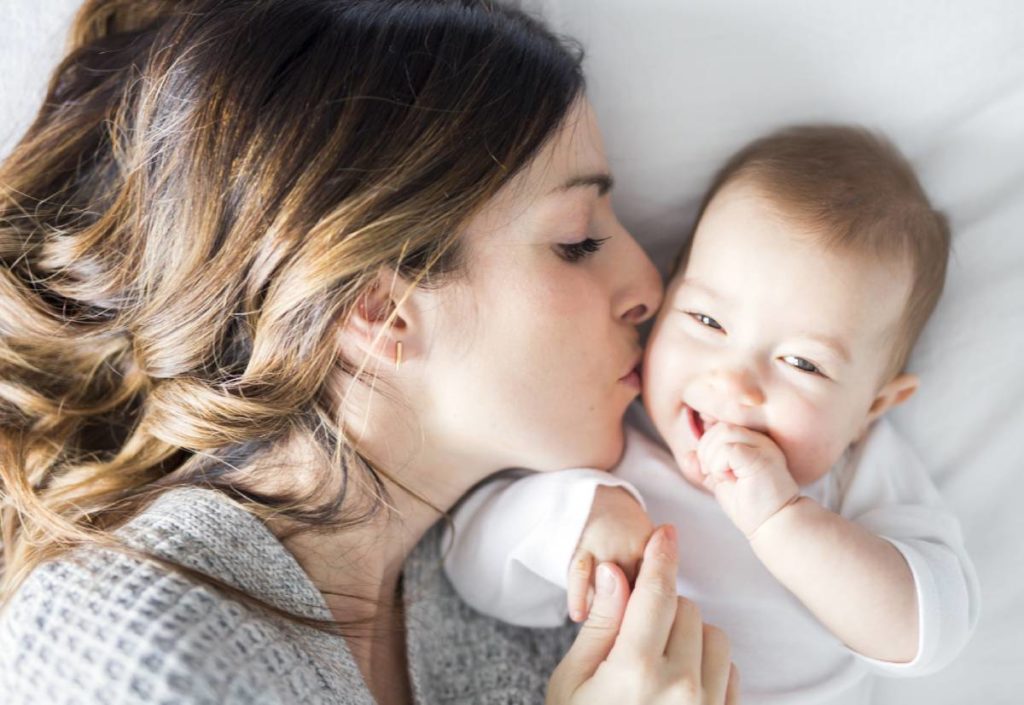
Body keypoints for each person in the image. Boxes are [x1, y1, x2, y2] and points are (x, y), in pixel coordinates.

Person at [0, 1, 741, 703]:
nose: (651, 283)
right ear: (379, 311)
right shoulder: (128, 640)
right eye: (576, 241)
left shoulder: (547, 607)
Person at [443, 125, 981, 704]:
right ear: (669, 294)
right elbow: (469, 568)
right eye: (707, 322)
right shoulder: (611, 435)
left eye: (802, 363)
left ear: (871, 408)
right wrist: (578, 519)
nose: (734, 381)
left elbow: (931, 632)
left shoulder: (857, 469)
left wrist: (782, 519)